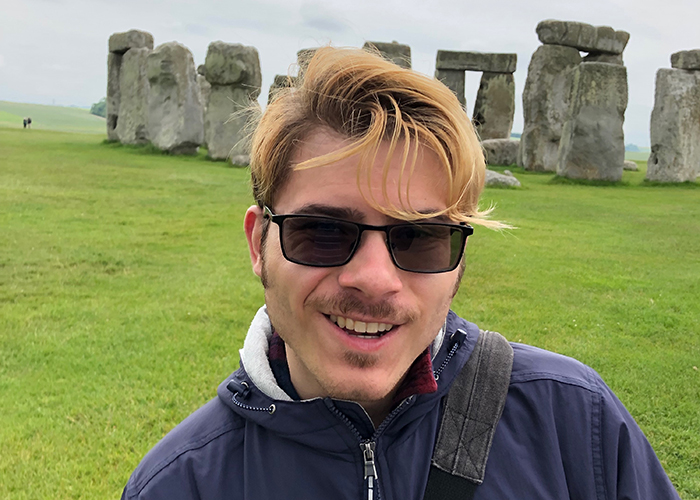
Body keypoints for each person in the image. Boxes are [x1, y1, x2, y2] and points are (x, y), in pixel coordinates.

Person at [121, 47, 680, 499]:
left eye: (419, 237)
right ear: (257, 243)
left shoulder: (576, 427)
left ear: (459, 260)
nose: (374, 278)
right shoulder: (178, 484)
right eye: (322, 231)